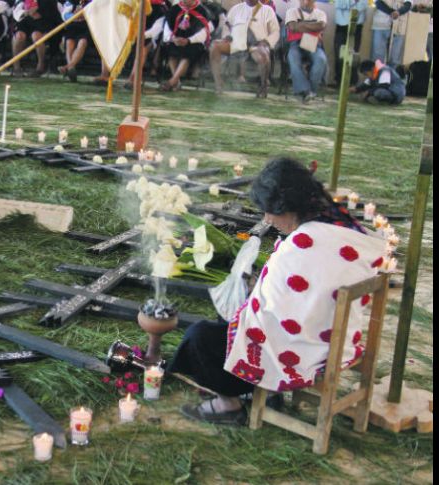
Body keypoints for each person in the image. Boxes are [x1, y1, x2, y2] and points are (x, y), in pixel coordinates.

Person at [169, 157, 384, 424]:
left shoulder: (303, 244)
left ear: (289, 207)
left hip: (302, 351)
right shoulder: (344, 224)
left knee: (199, 337)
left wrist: (251, 292)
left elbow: (269, 314)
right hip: (339, 340)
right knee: (236, 315)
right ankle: (265, 391)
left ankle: (230, 403)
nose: (268, 219)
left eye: (270, 211)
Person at [209, 0, 279, 97]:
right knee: (214, 46)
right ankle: (219, 83)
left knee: (264, 55)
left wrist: (266, 42)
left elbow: (275, 32)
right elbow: (226, 26)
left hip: (255, 45)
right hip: (235, 43)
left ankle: (263, 86)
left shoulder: (267, 10)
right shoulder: (236, 9)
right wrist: (227, 36)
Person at [159, 0, 215, 92]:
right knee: (170, 51)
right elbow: (167, 27)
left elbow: (206, 31)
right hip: (176, 40)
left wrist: (189, 40)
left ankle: (172, 81)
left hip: (194, 42)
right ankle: (176, 82)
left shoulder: (203, 11)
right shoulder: (175, 9)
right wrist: (173, 38)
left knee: (188, 54)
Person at [284, 0, 327, 103]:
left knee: (321, 59)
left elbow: (321, 26)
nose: (304, 1)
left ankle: (311, 91)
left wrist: (301, 26)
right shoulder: (292, 12)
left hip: (314, 43)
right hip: (296, 43)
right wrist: (312, 27)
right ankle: (304, 90)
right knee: (293, 58)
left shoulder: (320, 13)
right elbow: (292, 27)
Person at [123, 0, 170, 89]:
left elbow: (155, 30)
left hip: (148, 35)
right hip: (132, 28)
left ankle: (133, 77)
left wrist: (141, 35)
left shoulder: (161, 10)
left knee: (143, 48)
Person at [11, 0, 62, 77]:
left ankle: (40, 66)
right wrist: (27, 13)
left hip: (43, 21)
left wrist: (40, 12)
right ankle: (16, 66)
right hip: (25, 19)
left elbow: (54, 12)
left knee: (36, 36)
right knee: (19, 36)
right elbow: (16, 10)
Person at [333, 0, 367, 88]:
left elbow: (362, 6)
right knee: (339, 53)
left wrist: (348, 5)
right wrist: (353, 2)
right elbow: (338, 4)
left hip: (357, 25)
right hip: (341, 24)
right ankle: (339, 81)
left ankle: (352, 82)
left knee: (353, 54)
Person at [57, 0, 93, 82]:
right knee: (69, 42)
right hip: (73, 26)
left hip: (87, 27)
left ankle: (68, 67)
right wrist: (74, 16)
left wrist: (85, 14)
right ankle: (71, 69)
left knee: (82, 42)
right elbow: (64, 14)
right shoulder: (71, 2)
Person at [371, 1, 411, 65]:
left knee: (395, 59)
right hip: (380, 25)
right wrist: (392, 12)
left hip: (398, 27)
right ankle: (379, 74)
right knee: (378, 57)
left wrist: (398, 12)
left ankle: (392, 74)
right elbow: (377, 2)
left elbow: (408, 4)